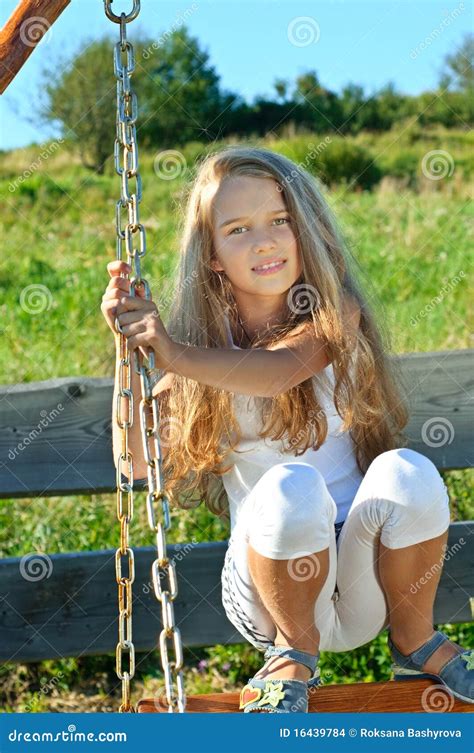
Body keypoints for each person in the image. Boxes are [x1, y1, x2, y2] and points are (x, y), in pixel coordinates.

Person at [101, 145, 473, 713]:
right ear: (213, 257)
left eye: (280, 221)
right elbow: (136, 464)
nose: (266, 241)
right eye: (239, 229)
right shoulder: (200, 353)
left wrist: (174, 355)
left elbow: (278, 373)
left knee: (408, 471)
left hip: (361, 574)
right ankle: (292, 654)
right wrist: (133, 352)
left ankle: (414, 637)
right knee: (290, 487)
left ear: (307, 229)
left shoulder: (333, 314)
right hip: (267, 593)